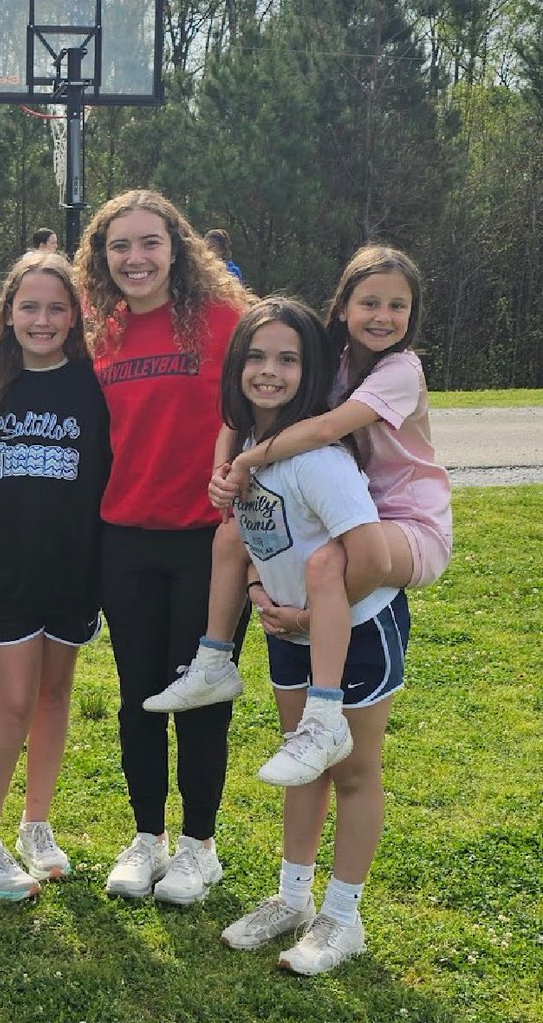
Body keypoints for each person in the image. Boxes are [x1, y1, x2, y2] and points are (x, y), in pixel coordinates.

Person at [161, 245, 451, 788]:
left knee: (324, 567)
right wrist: (223, 469)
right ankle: (215, 659)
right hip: (350, 506)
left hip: (409, 525)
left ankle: (324, 713)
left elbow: (321, 430)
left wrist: (248, 459)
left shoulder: (399, 369)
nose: (383, 317)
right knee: (231, 537)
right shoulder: (330, 353)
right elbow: (239, 410)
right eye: (370, 302)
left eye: (398, 306)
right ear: (342, 306)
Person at [213, 298, 411, 976]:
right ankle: (292, 899)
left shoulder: (321, 457)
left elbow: (372, 559)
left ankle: (343, 917)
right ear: (236, 366)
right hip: (291, 628)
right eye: (256, 356)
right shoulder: (248, 451)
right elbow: (260, 539)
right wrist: (260, 594)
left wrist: (304, 616)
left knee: (351, 770)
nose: (269, 371)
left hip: (357, 626)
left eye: (288, 359)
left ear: (312, 368)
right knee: (304, 757)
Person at [73, 188, 251, 905]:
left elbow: (274, 399)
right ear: (101, 256)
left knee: (203, 697)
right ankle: (148, 837)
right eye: (120, 246)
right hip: (126, 540)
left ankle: (199, 847)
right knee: (139, 696)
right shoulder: (102, 333)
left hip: (211, 547)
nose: (135, 258)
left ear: (177, 248)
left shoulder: (227, 321)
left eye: (149, 243)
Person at [0, 252, 111, 901]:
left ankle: (36, 824)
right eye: (29, 307)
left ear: (74, 316)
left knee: (53, 698)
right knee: (12, 705)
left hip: (73, 572)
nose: (41, 320)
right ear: (8, 314)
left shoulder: (95, 386)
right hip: (3, 576)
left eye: (55, 308)